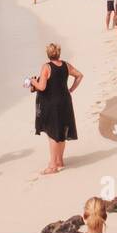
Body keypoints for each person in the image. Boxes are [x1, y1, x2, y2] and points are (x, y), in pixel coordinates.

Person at [29, 43, 82, 174]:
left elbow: (41, 87)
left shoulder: (46, 67)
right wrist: (71, 89)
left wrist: (32, 81)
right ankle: (59, 161)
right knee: (62, 131)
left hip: (51, 103)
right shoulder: (66, 65)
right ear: (58, 53)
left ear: (48, 54)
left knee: (52, 133)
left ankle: (53, 166)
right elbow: (80, 75)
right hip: (65, 101)